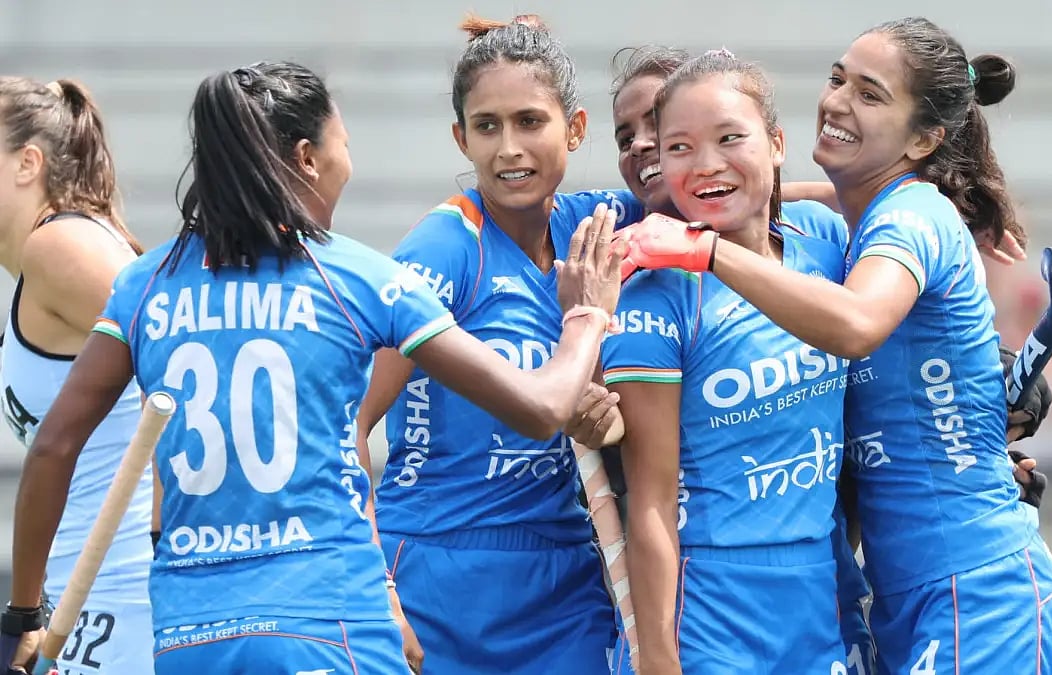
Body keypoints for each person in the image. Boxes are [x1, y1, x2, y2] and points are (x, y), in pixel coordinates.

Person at [3, 60, 625, 675]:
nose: (348, 166)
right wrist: (587, 318)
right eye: (343, 147)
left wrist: (24, 615)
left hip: (191, 634)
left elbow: (54, 447)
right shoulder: (358, 277)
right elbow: (543, 408)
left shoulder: (145, 284)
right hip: (330, 621)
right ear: (308, 158)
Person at [620, 17, 1052, 674]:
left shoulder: (909, 215)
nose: (837, 101)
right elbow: (780, 197)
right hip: (901, 598)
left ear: (925, 137)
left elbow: (857, 322)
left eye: (870, 93)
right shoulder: (850, 225)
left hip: (979, 591)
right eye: (838, 78)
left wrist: (706, 248)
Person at [354, 15, 645, 675]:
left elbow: (719, 205)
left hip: (565, 578)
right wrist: (377, 589)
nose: (509, 147)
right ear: (461, 138)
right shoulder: (445, 246)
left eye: (529, 122)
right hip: (435, 574)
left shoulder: (597, 225)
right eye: (487, 126)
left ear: (574, 128)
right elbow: (350, 421)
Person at [602, 49, 851, 675]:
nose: (706, 165)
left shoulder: (825, 239)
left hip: (822, 592)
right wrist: (658, 659)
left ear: (776, 142)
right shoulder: (652, 299)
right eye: (679, 148)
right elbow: (651, 501)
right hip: (712, 604)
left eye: (729, 139)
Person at [0, 76, 152, 675]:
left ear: (26, 164)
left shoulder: (60, 246)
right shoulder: (39, 261)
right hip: (80, 598)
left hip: (120, 599)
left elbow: (188, 363)